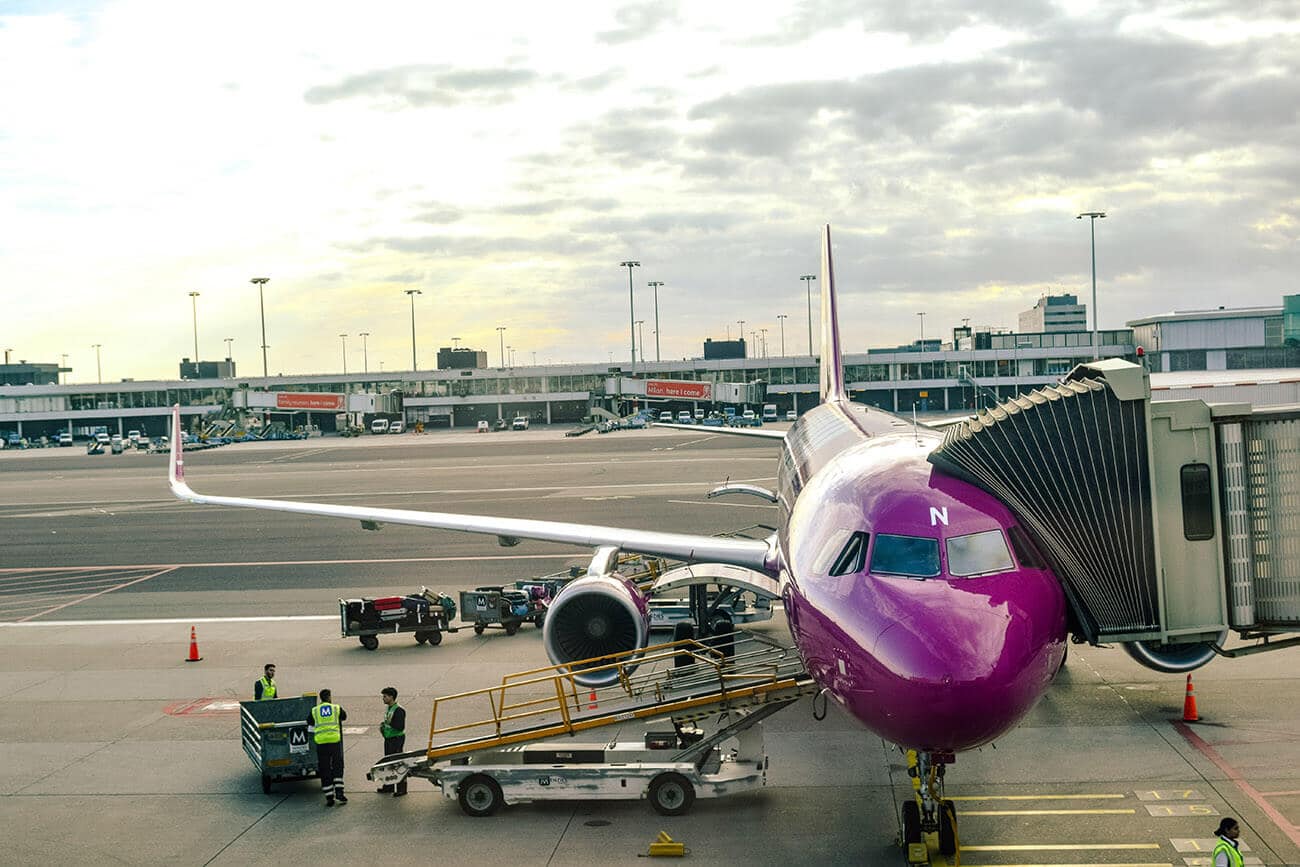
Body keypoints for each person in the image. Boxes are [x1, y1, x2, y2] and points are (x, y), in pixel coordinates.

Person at [308, 688, 347, 806]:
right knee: (337, 766)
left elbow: (309, 722)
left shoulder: (315, 710)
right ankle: (339, 792)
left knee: (325, 769)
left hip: (321, 744)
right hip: (334, 742)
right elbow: (344, 716)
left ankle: (329, 796)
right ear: (329, 697)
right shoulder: (336, 708)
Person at [376, 686, 408, 797]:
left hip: (396, 740)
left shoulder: (399, 710)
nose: (383, 698)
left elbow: (400, 727)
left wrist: (388, 723)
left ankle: (401, 789)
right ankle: (388, 786)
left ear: (391, 697)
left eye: (385, 696)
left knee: (398, 764)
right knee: (388, 763)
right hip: (389, 739)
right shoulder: (389, 708)